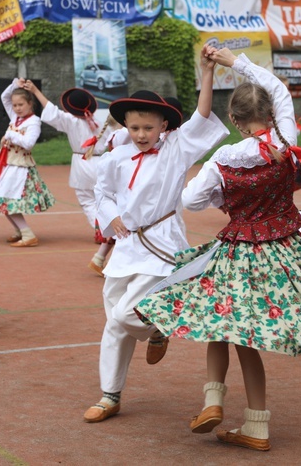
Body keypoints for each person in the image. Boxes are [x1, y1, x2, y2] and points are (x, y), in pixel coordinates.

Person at [136, 48, 301, 452]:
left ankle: (214, 400)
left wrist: (222, 197)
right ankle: (253, 424)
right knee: (243, 337)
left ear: (235, 121)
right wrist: (232, 60)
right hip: (283, 251)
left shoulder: (224, 159)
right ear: (273, 115)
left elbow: (190, 200)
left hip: (240, 252)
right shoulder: (285, 139)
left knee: (218, 320)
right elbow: (276, 86)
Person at [83, 44, 229, 425]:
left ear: (164, 125)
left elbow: (202, 114)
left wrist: (207, 73)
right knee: (113, 318)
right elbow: (103, 193)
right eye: (134, 127)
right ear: (124, 126)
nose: (142, 133)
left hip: (161, 243)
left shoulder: (176, 149)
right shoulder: (115, 156)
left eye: (149, 127)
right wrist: (112, 216)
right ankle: (109, 394)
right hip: (127, 245)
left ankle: (157, 326)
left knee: (123, 315)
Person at [21, 82, 114, 272]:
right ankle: (105, 229)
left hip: (82, 163)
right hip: (102, 163)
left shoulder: (71, 121)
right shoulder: (101, 120)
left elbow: (51, 110)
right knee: (103, 199)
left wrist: (36, 91)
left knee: (87, 201)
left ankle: (101, 228)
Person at [0, 78, 55, 247]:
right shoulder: (15, 117)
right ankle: (20, 231)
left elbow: (29, 143)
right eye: (15, 105)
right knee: (2, 199)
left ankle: (28, 234)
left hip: (20, 167)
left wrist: (10, 135)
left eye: (21, 104)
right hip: (7, 164)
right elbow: (4, 97)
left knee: (8, 200)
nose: (17, 108)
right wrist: (16, 84)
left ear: (30, 104)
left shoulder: (34, 121)